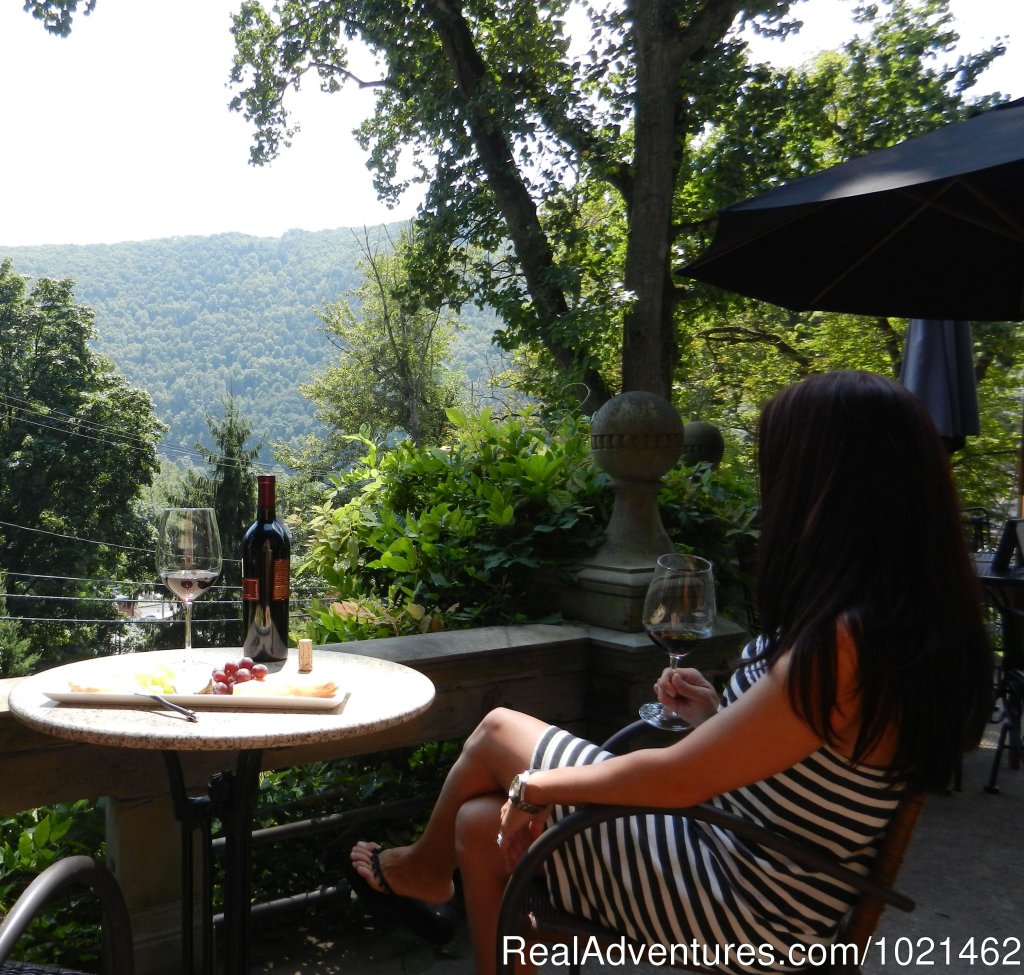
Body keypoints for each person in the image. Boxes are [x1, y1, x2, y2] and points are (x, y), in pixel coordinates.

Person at [347, 370, 992, 974]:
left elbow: (678, 779)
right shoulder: (903, 622)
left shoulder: (845, 641)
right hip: (767, 869)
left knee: (495, 735)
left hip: (748, 908)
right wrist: (718, 718)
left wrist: (533, 789)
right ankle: (437, 877)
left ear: (832, 486)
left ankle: (422, 873)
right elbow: (817, 760)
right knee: (476, 824)